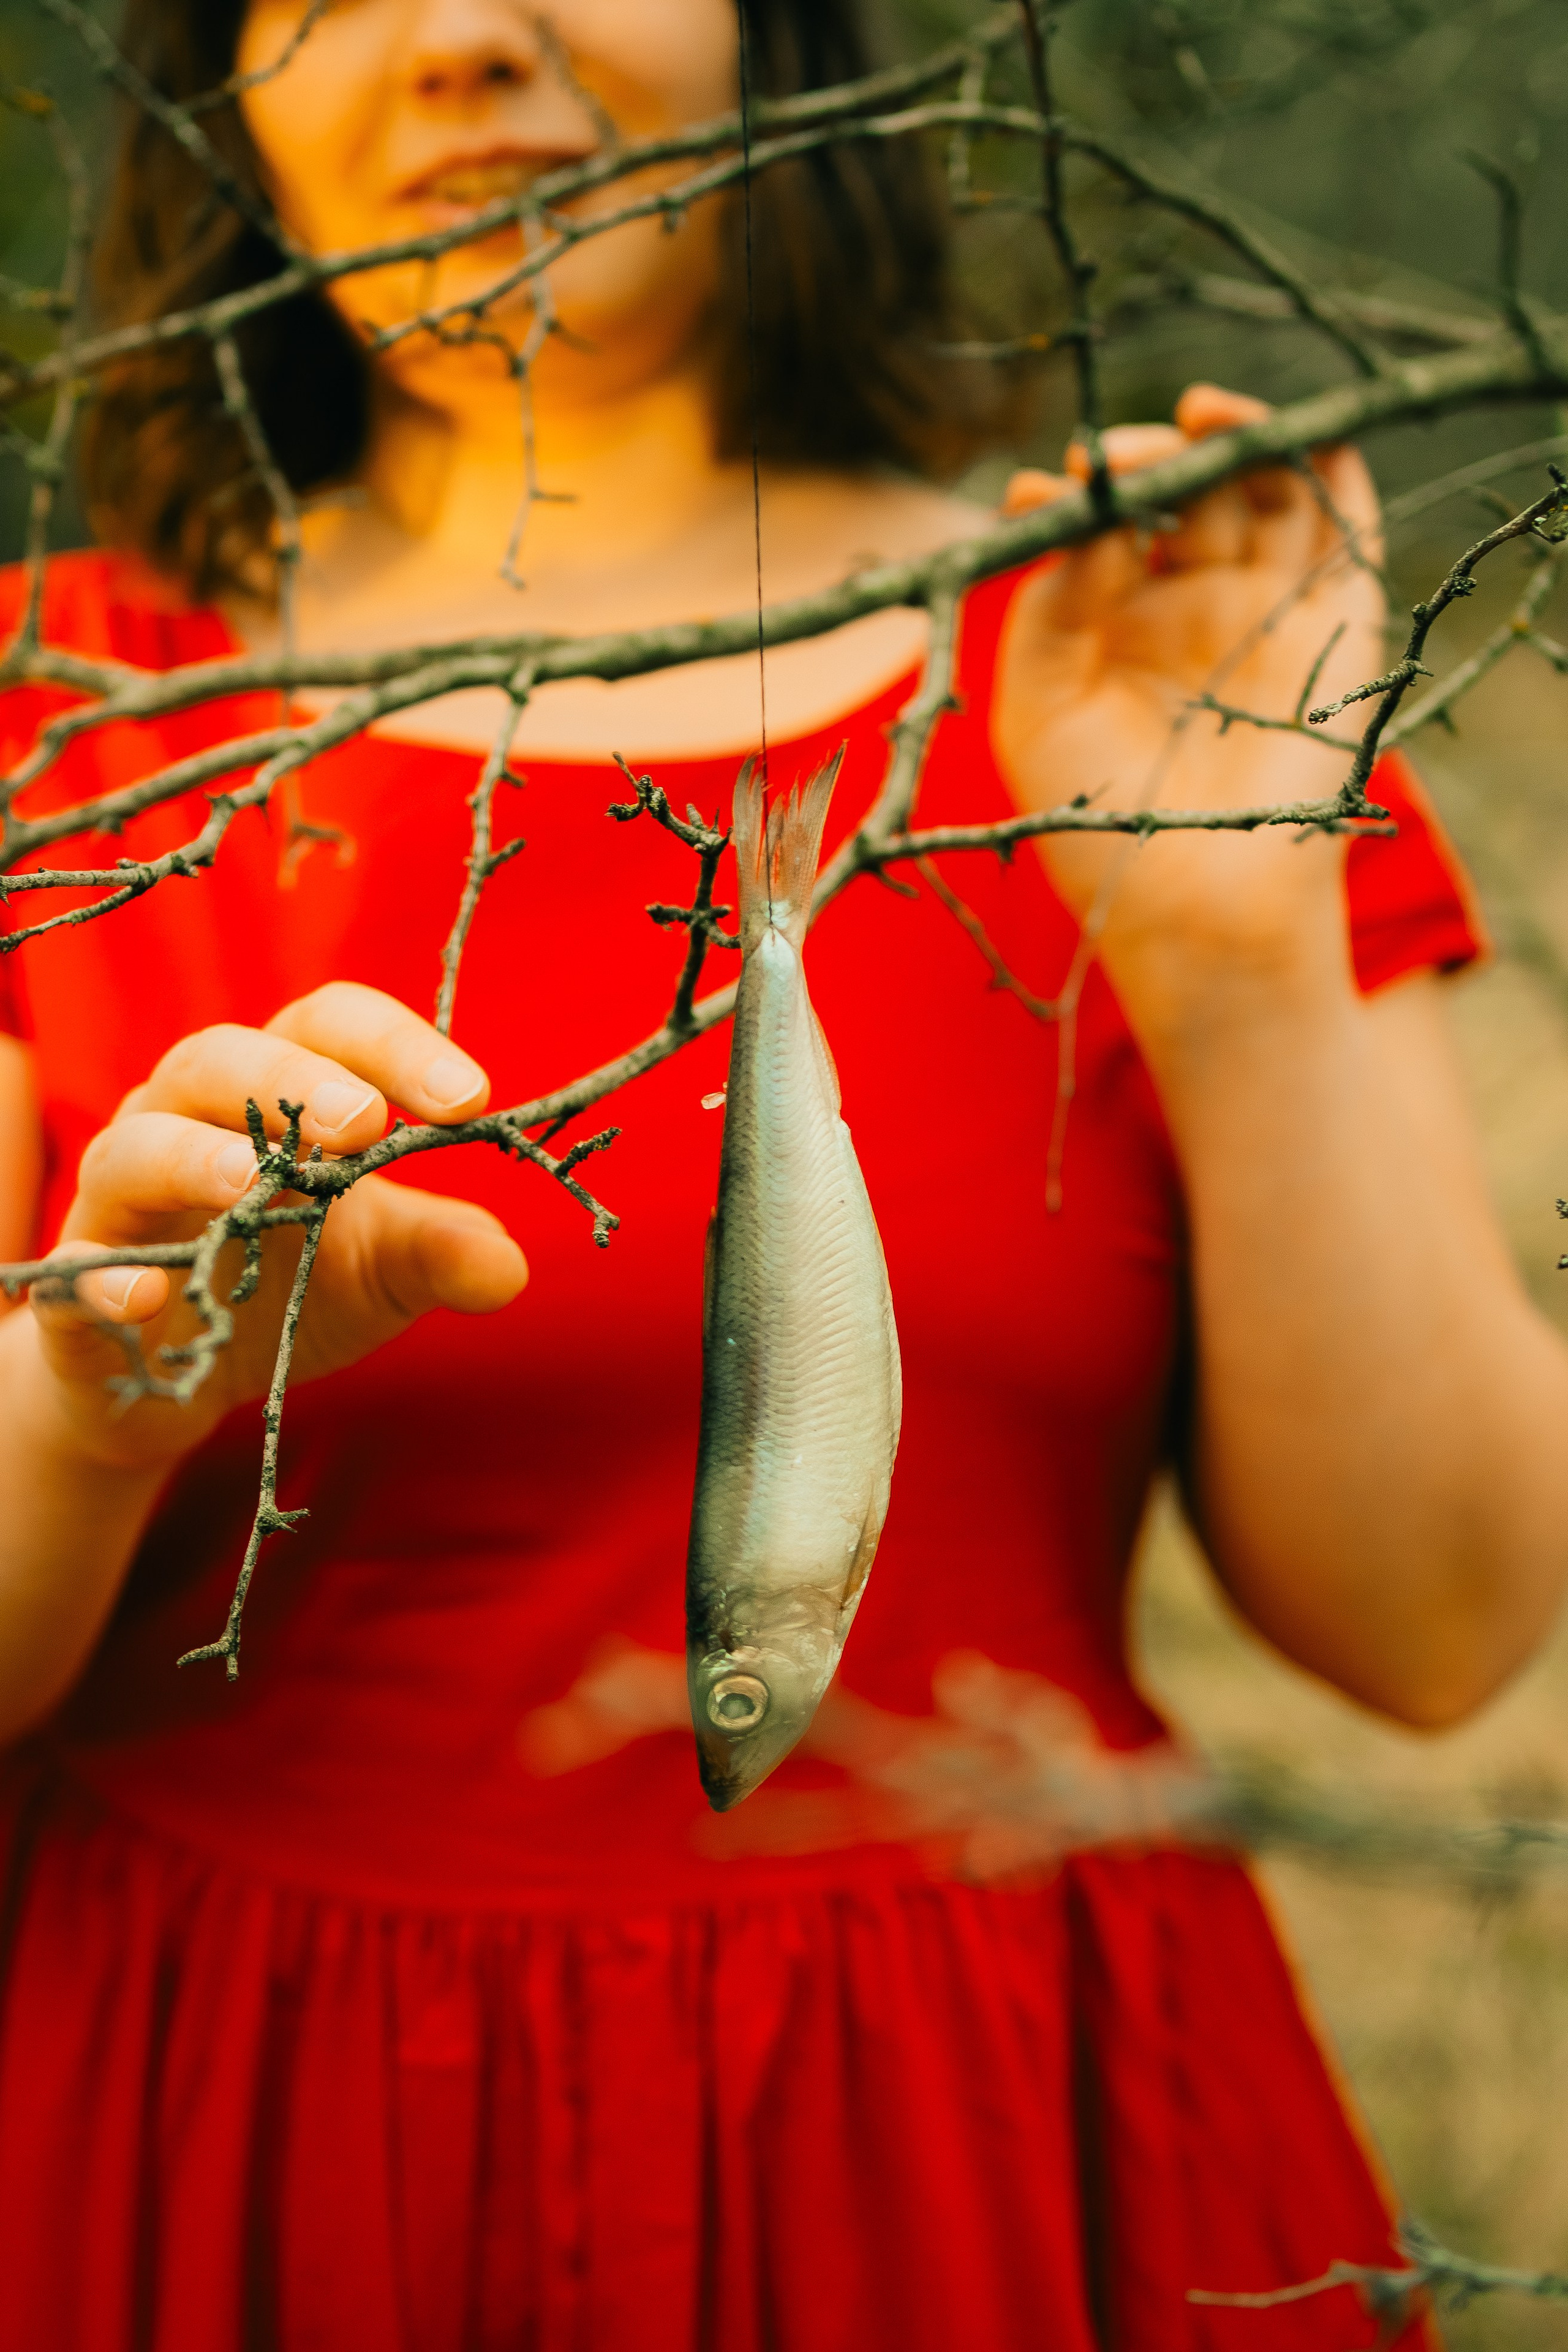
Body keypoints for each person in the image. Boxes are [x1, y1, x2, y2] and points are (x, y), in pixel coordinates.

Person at [1, 2, 1566, 2346]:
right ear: (226, 95)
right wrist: (88, 1407)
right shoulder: (71, 739)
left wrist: (1234, 944)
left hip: (992, 2138)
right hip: (227, 2126)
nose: (463, 35)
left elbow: (1440, 1633)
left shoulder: (1169, 656)